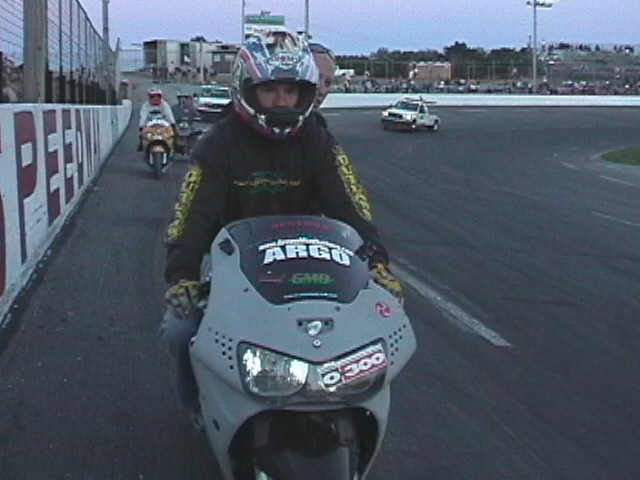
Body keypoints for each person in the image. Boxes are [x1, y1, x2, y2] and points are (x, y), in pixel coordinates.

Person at [159, 30, 402, 420]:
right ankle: (197, 408)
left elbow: (351, 204)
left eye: (291, 91)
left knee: (358, 328)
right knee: (180, 330)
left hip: (306, 257)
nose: (282, 101)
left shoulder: (319, 141)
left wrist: (377, 261)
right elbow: (189, 218)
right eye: (270, 90)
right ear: (246, 90)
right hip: (229, 264)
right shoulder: (216, 144)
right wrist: (182, 276)